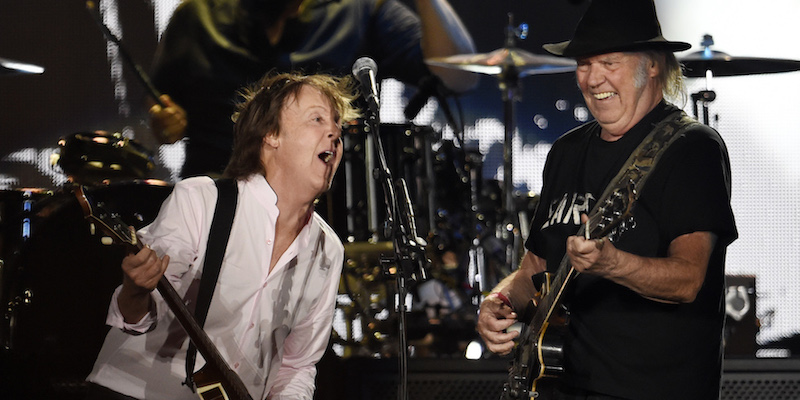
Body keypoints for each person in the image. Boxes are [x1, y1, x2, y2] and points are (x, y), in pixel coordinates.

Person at [476, 1, 738, 399]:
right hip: (560, 384)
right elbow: (536, 267)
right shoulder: (566, 152)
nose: (592, 78)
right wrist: (498, 302)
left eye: (609, 62)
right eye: (584, 63)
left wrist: (613, 263)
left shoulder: (691, 148)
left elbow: (688, 279)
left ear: (651, 65)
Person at [85, 71, 361, 400]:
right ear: (271, 135)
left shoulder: (327, 250)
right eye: (317, 119)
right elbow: (134, 319)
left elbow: (297, 365)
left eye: (336, 123)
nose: (334, 131)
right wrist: (135, 291)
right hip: (136, 390)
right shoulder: (202, 201)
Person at [148, 0, 477, 177]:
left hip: (324, 218)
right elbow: (163, 113)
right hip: (214, 208)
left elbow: (460, 74)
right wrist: (166, 124)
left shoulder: (360, 10)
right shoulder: (195, 15)